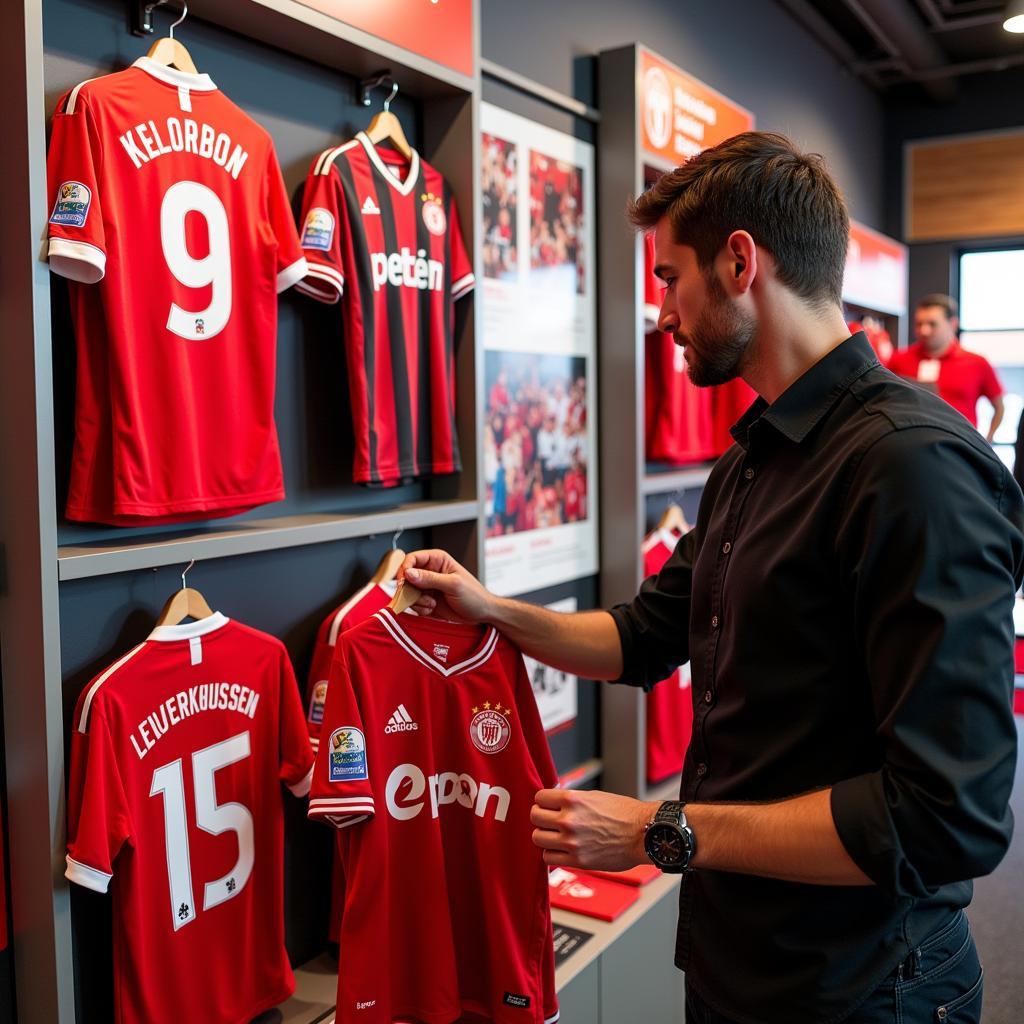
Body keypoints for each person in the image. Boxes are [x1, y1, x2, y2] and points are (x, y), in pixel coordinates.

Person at [396, 132, 1024, 1024]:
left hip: (872, 987)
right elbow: (644, 635)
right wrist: (490, 608)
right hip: (743, 959)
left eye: (668, 279)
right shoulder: (753, 458)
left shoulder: (910, 468)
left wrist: (661, 830)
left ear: (739, 263)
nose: (662, 313)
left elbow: (945, 816)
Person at [888, 294, 1004, 441]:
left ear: (953, 324)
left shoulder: (977, 363)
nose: (924, 330)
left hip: (960, 448)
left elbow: (999, 407)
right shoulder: (898, 359)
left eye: (932, 324)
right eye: (919, 324)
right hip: (910, 445)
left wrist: (987, 441)